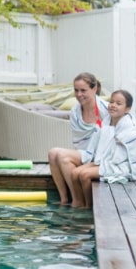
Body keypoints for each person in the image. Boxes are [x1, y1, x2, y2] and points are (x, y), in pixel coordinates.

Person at [69, 89, 136, 208]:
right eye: (111, 102)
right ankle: (79, 203)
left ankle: (89, 207)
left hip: (120, 166)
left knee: (84, 175)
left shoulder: (129, 126)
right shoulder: (107, 121)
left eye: (118, 103)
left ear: (127, 109)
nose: (113, 105)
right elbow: (102, 145)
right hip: (104, 160)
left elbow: (126, 152)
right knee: (74, 173)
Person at [47, 72, 110, 205]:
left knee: (64, 157)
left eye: (83, 90)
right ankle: (64, 199)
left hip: (103, 154)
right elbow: (79, 141)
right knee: (53, 153)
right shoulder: (75, 112)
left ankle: (77, 200)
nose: (79, 94)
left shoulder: (106, 109)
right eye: (76, 90)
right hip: (85, 151)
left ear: (94, 89)